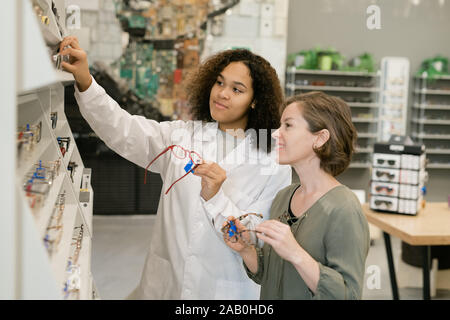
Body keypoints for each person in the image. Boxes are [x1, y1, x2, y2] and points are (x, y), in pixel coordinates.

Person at [58, 36, 292, 299]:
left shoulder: (272, 161)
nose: (222, 93)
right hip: (168, 281)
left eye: (237, 89)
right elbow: (124, 129)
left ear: (255, 100)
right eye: (219, 82)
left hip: (223, 289)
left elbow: (258, 240)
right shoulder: (183, 136)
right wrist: (85, 81)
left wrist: (217, 197)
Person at [224, 91, 370, 299]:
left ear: (320, 138)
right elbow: (272, 275)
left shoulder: (344, 209)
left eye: (288, 126)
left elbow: (348, 295)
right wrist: (246, 249)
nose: (275, 134)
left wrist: (295, 253)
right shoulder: (284, 197)